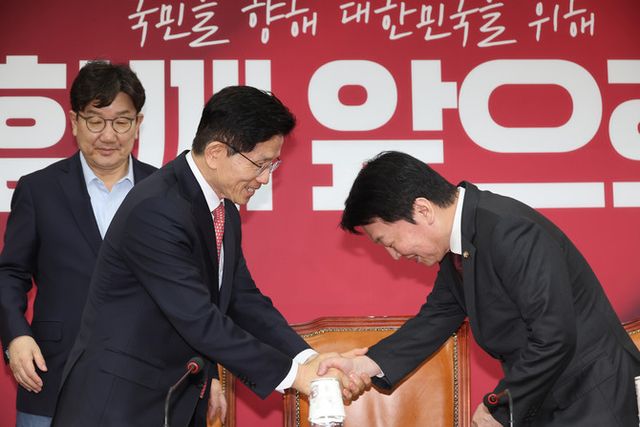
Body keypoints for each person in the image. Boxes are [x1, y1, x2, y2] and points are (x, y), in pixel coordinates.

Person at [52, 85, 366, 427]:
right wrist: (295, 375)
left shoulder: (222, 206)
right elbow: (198, 317)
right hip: (117, 403)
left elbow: (243, 300)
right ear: (216, 152)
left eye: (272, 165)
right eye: (260, 164)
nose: (265, 179)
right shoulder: (157, 208)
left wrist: (308, 359)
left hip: (175, 397)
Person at [318, 151, 640, 427]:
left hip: (594, 396)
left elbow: (554, 336)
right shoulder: (459, 244)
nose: (395, 255)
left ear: (422, 210)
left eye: (389, 242)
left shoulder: (508, 230)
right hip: (550, 397)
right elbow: (435, 318)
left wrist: (500, 408)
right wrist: (365, 365)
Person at [0, 61, 157, 427]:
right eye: (95, 120)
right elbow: (10, 274)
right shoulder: (39, 190)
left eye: (121, 122)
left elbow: (190, 290)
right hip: (53, 376)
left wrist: (207, 371)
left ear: (138, 124)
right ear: (74, 121)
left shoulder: (164, 191)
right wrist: (16, 337)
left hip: (145, 383)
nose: (108, 135)